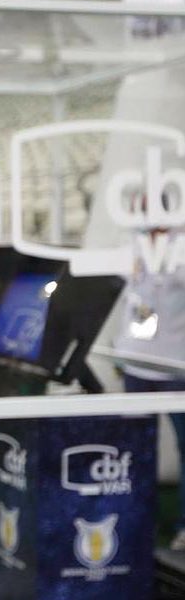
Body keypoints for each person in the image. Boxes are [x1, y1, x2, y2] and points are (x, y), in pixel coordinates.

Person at [115, 221, 185, 551]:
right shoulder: (132, 238)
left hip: (176, 366)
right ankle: (137, 521)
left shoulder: (180, 243)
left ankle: (183, 525)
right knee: (135, 448)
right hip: (136, 363)